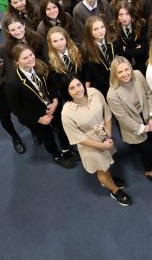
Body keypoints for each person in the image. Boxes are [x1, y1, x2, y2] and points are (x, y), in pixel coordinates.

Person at [61, 75, 132, 206]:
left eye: (78, 85)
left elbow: (107, 114)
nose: (77, 90)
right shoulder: (66, 113)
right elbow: (78, 138)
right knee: (101, 169)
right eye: (72, 88)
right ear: (67, 92)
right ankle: (114, 191)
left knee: (106, 164)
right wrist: (101, 145)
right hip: (89, 143)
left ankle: (109, 179)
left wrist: (108, 136)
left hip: (105, 135)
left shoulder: (94, 92)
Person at [5, 44, 76, 168]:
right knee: (48, 137)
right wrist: (39, 119)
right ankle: (57, 155)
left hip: (51, 107)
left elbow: (49, 85)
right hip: (35, 115)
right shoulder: (12, 83)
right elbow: (17, 110)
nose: (30, 59)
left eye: (31, 55)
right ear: (17, 62)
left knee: (62, 128)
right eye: (25, 58)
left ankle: (66, 150)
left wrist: (54, 100)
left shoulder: (39, 66)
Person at [106, 57, 152, 185]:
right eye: (120, 72)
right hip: (132, 125)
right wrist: (142, 128)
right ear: (114, 74)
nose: (125, 74)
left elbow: (149, 95)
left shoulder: (138, 75)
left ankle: (151, 161)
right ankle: (149, 171)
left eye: (127, 69)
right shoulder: (112, 94)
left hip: (147, 116)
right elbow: (123, 118)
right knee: (146, 149)